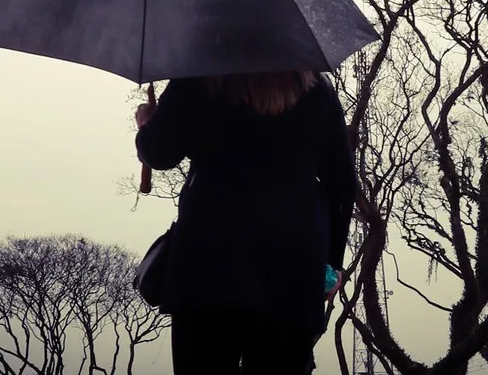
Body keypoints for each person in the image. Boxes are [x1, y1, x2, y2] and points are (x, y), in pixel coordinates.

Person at [135, 70, 357, 375]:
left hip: (207, 271)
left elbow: (159, 153)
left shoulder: (199, 78)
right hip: (293, 272)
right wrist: (332, 265)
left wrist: (147, 124)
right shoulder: (317, 90)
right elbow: (342, 185)